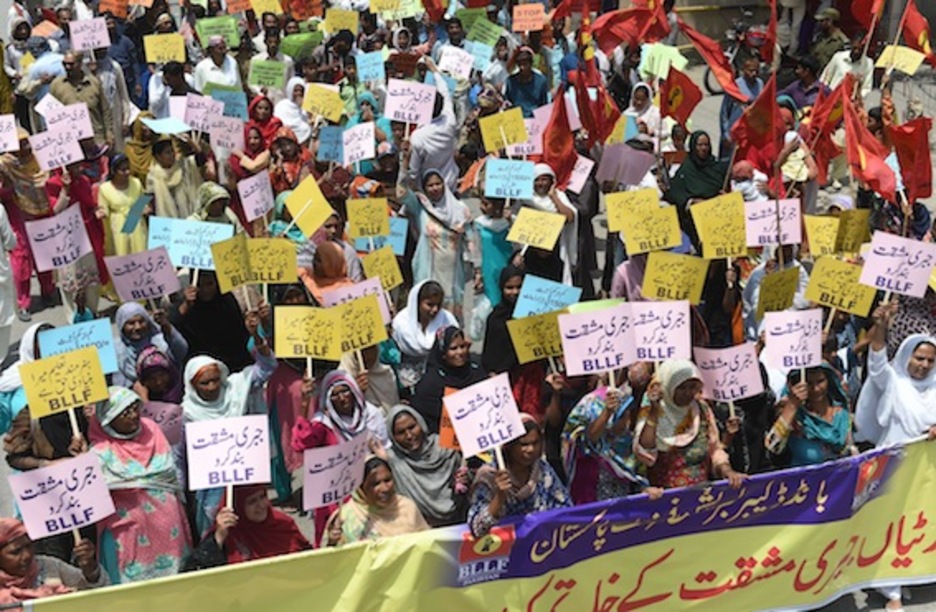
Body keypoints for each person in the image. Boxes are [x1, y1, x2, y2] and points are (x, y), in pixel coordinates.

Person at [854, 303, 935, 612]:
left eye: (930, 360)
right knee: (889, 525)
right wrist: (881, 325)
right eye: (919, 358)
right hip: (893, 467)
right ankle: (892, 593)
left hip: (925, 472)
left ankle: (908, 575)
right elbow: (876, 358)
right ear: (906, 356)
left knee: (916, 522)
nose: (923, 365)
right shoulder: (893, 382)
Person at [89, 387, 191, 584]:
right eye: (124, 413)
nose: (133, 416)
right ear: (108, 419)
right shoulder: (100, 452)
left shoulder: (152, 430)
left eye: (134, 408)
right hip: (126, 531)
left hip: (168, 527)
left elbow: (169, 474)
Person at [292, 371, 390, 543]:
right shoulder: (323, 423)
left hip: (369, 489)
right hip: (336, 496)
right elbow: (301, 443)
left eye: (345, 391)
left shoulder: (371, 414)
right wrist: (305, 404)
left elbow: (384, 449)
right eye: (335, 395)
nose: (342, 398)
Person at [634, 359, 746, 489]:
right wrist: (654, 411)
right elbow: (645, 453)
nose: (688, 393)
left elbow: (715, 450)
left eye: (692, 387)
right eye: (681, 388)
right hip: (665, 496)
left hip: (701, 494)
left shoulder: (702, 410)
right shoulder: (651, 410)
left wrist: (727, 471)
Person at [468, 415, 571, 537]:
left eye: (535, 443)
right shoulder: (489, 476)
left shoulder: (542, 470)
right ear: (509, 446)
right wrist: (500, 497)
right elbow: (477, 529)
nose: (531, 449)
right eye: (523, 444)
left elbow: (565, 509)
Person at [377, 405, 467, 527]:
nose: (409, 435)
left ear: (421, 424)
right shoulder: (393, 460)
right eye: (401, 432)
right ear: (393, 437)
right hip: (421, 528)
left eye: (412, 427)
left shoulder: (444, 447)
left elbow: (463, 479)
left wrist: (464, 478)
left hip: (460, 520)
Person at [0, 128, 56, 321]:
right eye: (21, 143)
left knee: (44, 252)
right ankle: (23, 303)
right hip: (19, 214)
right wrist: (6, 182)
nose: (26, 146)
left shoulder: (41, 159)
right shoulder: (7, 165)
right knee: (21, 258)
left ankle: (48, 290)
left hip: (42, 211)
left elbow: (51, 179)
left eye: (27, 141)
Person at [401, 169, 472, 318]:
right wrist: (404, 164)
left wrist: (477, 269)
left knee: (450, 318)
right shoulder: (421, 208)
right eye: (430, 185)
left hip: (453, 274)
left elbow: (472, 240)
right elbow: (401, 192)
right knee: (428, 314)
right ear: (424, 188)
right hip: (428, 272)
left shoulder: (461, 210)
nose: (435, 188)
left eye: (438, 183)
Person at [187, 485, 310, 569]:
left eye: (262, 496)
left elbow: (310, 562)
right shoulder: (227, 536)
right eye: (252, 501)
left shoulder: (283, 524)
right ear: (237, 506)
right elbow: (198, 575)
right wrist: (218, 538)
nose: (261, 505)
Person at [0, 519, 107, 605]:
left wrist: (90, 569)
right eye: (16, 552)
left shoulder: (47, 566)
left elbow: (97, 591)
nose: (27, 555)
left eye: (28, 546)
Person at [325, 457, 430, 545]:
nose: (384, 488)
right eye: (375, 484)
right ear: (361, 487)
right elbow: (329, 559)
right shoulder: (345, 517)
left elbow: (427, 544)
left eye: (387, 480)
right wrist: (332, 542)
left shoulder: (407, 508)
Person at [765, 365, 853, 466]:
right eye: (809, 383)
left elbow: (853, 452)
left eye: (820, 381)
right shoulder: (797, 419)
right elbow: (773, 447)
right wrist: (792, 406)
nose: (816, 389)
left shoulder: (842, 415)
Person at [170, 272, 255, 372]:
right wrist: (186, 306)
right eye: (199, 285)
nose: (205, 290)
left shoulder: (226, 300)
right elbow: (173, 329)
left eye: (209, 284)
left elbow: (239, 333)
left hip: (235, 364)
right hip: (202, 367)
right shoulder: (186, 305)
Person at [410, 326, 486, 434]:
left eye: (462, 346)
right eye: (453, 348)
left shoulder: (476, 369)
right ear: (443, 353)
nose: (460, 352)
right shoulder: (431, 383)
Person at [664, 131, 729, 248]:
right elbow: (675, 193)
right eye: (700, 145)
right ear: (693, 146)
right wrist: (691, 202)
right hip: (694, 222)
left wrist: (726, 196)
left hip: (716, 219)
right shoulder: (686, 169)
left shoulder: (717, 167)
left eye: (706, 145)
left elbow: (727, 188)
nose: (703, 148)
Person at [391, 280, 458, 390]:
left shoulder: (446, 319)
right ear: (417, 302)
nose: (435, 310)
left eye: (438, 305)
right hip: (406, 383)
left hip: (440, 380)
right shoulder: (401, 323)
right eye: (430, 305)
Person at [520, 163, 578, 285]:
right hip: (531, 251)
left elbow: (570, 217)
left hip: (555, 251)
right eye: (537, 180)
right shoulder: (525, 199)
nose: (540, 183)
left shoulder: (559, 196)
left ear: (552, 181)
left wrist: (553, 197)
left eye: (544, 179)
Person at [114, 302, 188, 388]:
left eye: (141, 321)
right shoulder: (115, 350)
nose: (138, 327)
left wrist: (166, 326)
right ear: (122, 325)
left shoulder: (160, 341)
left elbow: (181, 352)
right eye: (131, 323)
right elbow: (118, 384)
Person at [49, 52, 113, 146]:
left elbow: (105, 110)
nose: (67, 67)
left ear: (80, 64)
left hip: (96, 138)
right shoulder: (56, 85)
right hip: (70, 142)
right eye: (64, 64)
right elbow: (51, 115)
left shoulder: (94, 83)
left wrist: (109, 134)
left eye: (71, 64)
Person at [98, 154, 148, 257]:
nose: (127, 172)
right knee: (122, 253)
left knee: (139, 251)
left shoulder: (136, 183)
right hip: (118, 223)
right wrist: (101, 213)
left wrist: (145, 208)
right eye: (123, 170)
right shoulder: (104, 189)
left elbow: (143, 202)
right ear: (113, 171)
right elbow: (103, 209)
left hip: (135, 219)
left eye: (128, 168)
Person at [146, 138, 204, 219]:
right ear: (158, 157)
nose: (172, 155)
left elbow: (201, 159)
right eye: (168, 153)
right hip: (167, 220)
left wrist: (191, 142)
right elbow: (150, 200)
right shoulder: (153, 176)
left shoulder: (183, 166)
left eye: (172, 151)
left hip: (188, 215)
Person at [719, 56, 763, 157]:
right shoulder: (735, 86)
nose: (754, 74)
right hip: (734, 134)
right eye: (751, 71)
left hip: (751, 133)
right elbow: (724, 112)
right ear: (744, 70)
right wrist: (726, 135)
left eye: (756, 71)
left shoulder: (760, 84)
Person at [504, 47, 549, 118]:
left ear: (531, 64)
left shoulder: (541, 81)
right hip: (516, 118)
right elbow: (507, 101)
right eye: (520, 64)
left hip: (535, 118)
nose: (522, 68)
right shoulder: (510, 82)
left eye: (525, 64)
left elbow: (544, 105)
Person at [274, 77, 312, 146]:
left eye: (301, 91)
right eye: (296, 90)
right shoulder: (282, 105)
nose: (299, 93)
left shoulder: (305, 108)